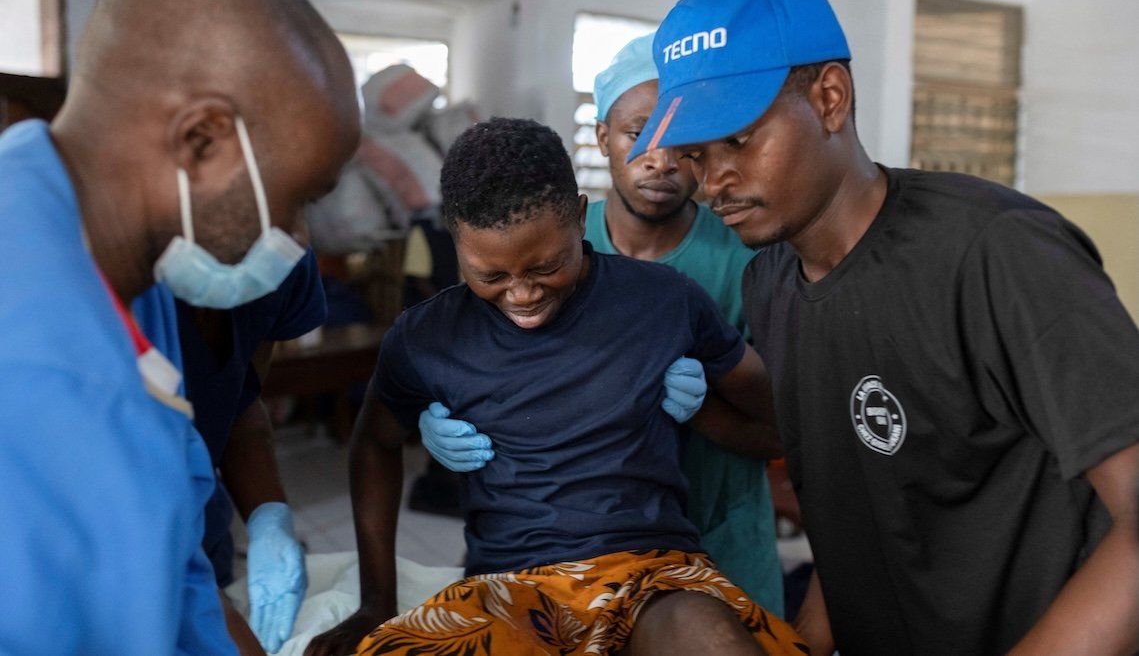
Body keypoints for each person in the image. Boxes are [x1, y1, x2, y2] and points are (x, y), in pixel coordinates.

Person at [630, 0, 1139, 654]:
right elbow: (857, 511)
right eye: (695, 154)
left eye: (739, 139)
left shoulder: (995, 252)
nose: (714, 179)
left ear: (829, 99)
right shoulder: (771, 284)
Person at [305, 118, 803, 656]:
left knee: (712, 640)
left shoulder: (663, 301)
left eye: (547, 266)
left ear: (579, 218)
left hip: (654, 573)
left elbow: (777, 419)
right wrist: (375, 602)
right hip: (508, 587)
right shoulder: (427, 337)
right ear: (456, 240)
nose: (522, 295)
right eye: (490, 276)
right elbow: (373, 444)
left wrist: (707, 401)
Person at [0, 0, 360, 652]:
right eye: (297, 196)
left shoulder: (105, 251)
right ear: (202, 140)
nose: (300, 237)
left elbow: (178, 567)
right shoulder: (53, 383)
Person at [419, 33, 785, 615]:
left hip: (716, 529)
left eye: (682, 138)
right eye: (639, 132)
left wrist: (705, 408)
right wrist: (441, 414)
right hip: (570, 555)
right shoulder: (537, 244)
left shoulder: (747, 259)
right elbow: (472, 348)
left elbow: (783, 427)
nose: (660, 158)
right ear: (602, 139)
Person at [134, 248, 327, 655]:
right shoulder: (118, 292)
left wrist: (269, 518)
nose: (300, 235)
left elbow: (238, 397)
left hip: (201, 530)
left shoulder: (284, 263)